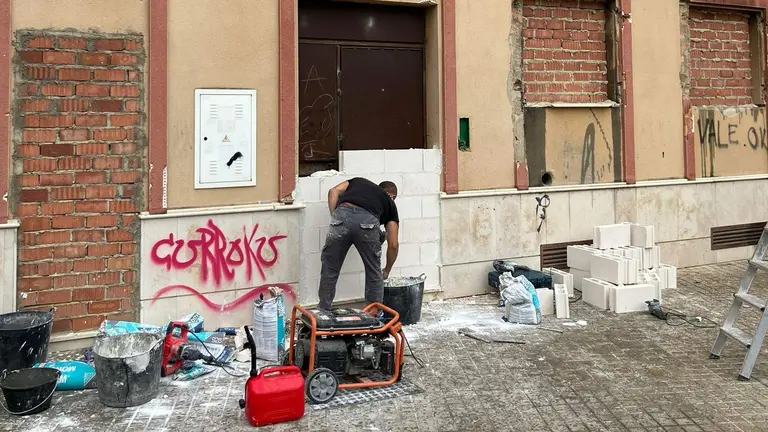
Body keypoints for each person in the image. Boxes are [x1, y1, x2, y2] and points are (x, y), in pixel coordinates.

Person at [317, 177, 399, 313]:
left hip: (342, 214)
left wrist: (336, 218)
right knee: (373, 271)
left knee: (330, 268)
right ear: (392, 196)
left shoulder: (359, 181)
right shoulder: (390, 203)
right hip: (368, 221)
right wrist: (387, 269)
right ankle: (373, 314)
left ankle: (323, 310)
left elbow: (333, 191)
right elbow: (393, 245)